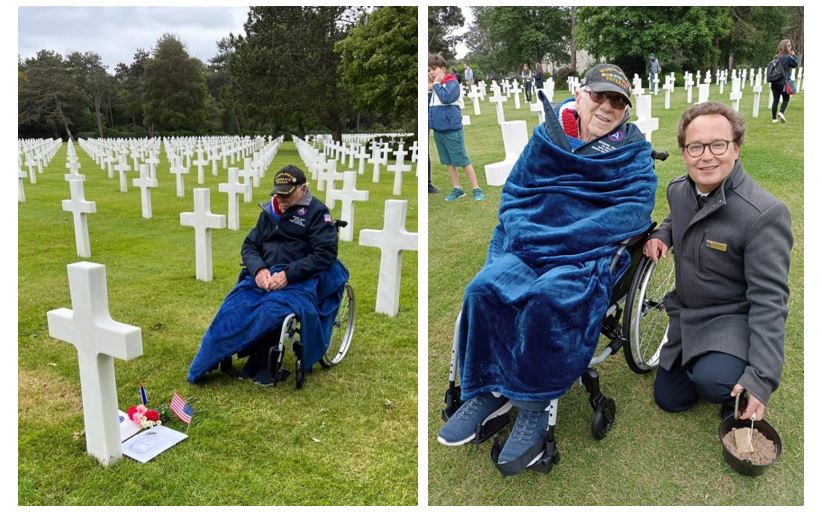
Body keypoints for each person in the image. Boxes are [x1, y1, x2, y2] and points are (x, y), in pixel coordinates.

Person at [437, 63, 657, 472]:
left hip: (584, 252)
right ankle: (487, 389)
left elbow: (634, 210)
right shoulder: (547, 137)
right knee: (483, 290)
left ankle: (533, 407)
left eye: (617, 102)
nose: (607, 107)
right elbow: (517, 192)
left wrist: (568, 237)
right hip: (531, 243)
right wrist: (528, 232)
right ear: (579, 94)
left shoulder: (633, 152)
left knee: (547, 298)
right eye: (599, 96)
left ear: (626, 111)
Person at [643, 101, 792, 422]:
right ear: (684, 152)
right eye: (696, 146)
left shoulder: (764, 214)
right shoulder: (679, 190)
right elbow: (678, 215)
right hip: (687, 313)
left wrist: (761, 378)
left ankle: (731, 380)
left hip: (731, 318)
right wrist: (663, 234)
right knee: (670, 398)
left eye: (718, 145)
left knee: (715, 380)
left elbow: (770, 302)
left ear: (736, 148)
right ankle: (709, 362)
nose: (706, 156)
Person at [187, 165, 347, 386]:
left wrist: (287, 275)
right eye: (278, 193)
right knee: (233, 307)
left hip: (299, 278)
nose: (281, 198)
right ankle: (207, 362)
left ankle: (263, 362)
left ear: (303, 189)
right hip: (264, 275)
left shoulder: (318, 213)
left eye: (287, 194)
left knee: (271, 309)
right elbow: (250, 246)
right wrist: (259, 270)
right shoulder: (269, 212)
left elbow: (324, 254)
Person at [428, 53, 484, 202]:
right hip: (439, 131)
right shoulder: (433, 86)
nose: (431, 73)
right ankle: (457, 188)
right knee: (449, 162)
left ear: (443, 69)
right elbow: (430, 106)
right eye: (429, 70)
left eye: (434, 69)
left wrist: (437, 85)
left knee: (463, 160)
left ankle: (476, 188)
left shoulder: (452, 83)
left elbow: (446, 98)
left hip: (452, 130)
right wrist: (429, 89)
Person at [768, 39, 799, 123]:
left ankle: (774, 119)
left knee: (775, 100)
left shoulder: (776, 57)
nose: (790, 47)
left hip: (775, 82)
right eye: (789, 45)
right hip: (783, 82)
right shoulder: (788, 57)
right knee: (786, 98)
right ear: (785, 46)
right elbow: (795, 64)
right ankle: (781, 112)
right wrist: (794, 55)